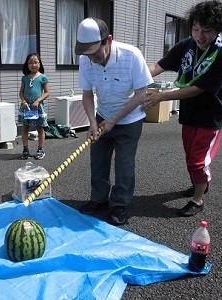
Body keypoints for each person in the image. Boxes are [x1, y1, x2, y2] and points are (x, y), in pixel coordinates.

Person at [143, 0, 222, 216]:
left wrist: (161, 97)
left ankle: (198, 199)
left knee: (198, 160)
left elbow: (196, 89)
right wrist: (134, 76)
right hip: (190, 113)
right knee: (190, 157)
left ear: (218, 30)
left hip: (211, 115)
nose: (199, 36)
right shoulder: (186, 45)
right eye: (195, 28)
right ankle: (199, 184)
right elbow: (158, 67)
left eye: (207, 31)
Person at [74, 17, 153, 225]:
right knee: (98, 160)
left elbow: (141, 94)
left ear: (108, 39)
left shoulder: (132, 55)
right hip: (102, 116)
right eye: (87, 54)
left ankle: (119, 204)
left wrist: (114, 120)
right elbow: (87, 94)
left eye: (95, 52)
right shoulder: (86, 60)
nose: (92, 59)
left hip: (130, 119)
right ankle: (98, 199)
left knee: (124, 164)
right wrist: (92, 122)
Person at [18, 53, 50, 160]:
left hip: (37, 107)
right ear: (27, 65)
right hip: (27, 107)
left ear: (40, 64)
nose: (33, 64)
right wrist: (23, 101)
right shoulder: (25, 78)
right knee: (25, 127)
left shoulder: (43, 77)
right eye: (30, 63)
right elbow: (21, 92)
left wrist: (38, 101)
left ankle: (41, 149)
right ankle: (25, 149)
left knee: (39, 128)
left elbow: (47, 92)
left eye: (36, 62)